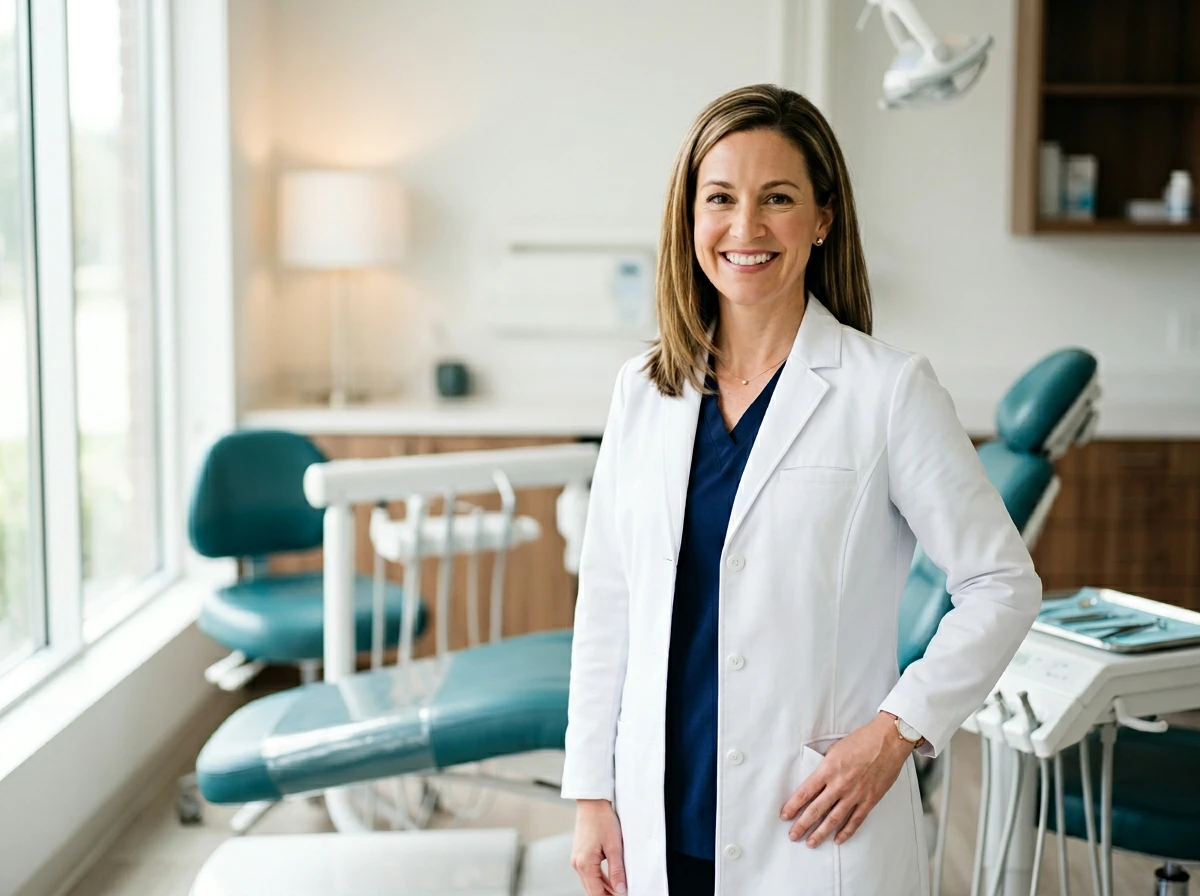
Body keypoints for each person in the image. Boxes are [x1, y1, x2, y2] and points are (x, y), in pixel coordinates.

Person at [561, 83, 1041, 896]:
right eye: (721, 198)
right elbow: (608, 600)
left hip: (813, 823)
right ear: (689, 217)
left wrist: (895, 733)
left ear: (822, 218)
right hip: (658, 810)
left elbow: (1001, 583)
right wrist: (591, 793)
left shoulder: (886, 390)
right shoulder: (643, 391)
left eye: (777, 199)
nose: (745, 227)